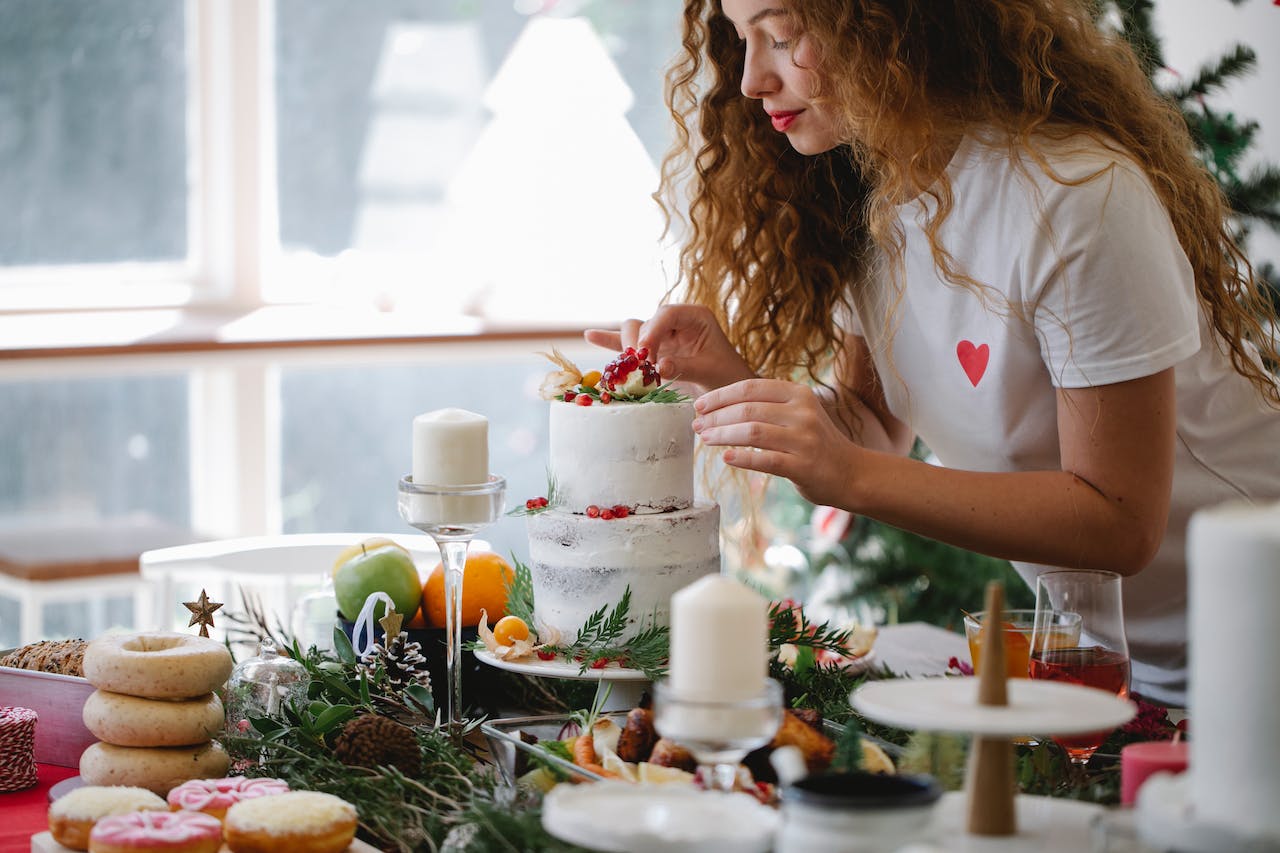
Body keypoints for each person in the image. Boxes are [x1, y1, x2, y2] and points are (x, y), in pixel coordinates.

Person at [587, 0, 1280, 706]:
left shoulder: (1075, 198)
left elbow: (1120, 522)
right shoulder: (874, 200)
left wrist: (848, 474)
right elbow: (868, 424)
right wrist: (731, 379)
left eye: (782, 35)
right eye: (743, 42)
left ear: (888, 22)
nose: (751, 80)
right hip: (1135, 676)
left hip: (1264, 644)